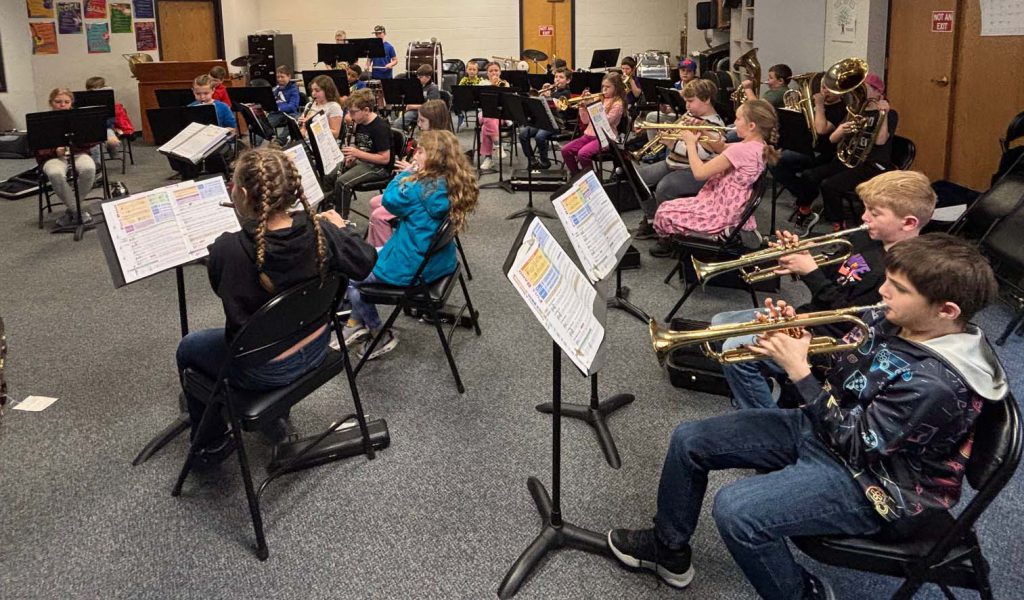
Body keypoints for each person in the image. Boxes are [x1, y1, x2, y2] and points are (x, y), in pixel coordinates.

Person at [607, 233, 1007, 600]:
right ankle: (668, 548)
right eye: (887, 280)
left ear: (946, 310)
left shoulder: (936, 383)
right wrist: (799, 340)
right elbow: (845, 370)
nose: (882, 291)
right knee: (690, 440)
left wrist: (798, 371)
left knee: (737, 511)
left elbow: (858, 443)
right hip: (827, 428)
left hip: (878, 482)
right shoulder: (896, 319)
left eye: (898, 289)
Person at [178, 146, 376, 463]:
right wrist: (341, 230)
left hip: (264, 369)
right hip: (317, 347)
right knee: (276, 327)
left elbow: (226, 295)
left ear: (241, 193)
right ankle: (275, 415)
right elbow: (366, 263)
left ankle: (210, 443)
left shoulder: (229, 250)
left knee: (188, 347)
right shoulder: (321, 230)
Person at [716, 170, 937, 410]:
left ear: (909, 223)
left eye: (875, 213)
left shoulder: (900, 273)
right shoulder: (868, 238)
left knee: (734, 351)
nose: (864, 217)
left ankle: (767, 420)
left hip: (833, 339)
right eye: (865, 209)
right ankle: (766, 391)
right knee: (720, 323)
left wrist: (811, 273)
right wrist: (804, 257)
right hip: (810, 315)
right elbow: (838, 275)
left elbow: (851, 320)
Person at [332, 129, 479, 361]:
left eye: (420, 152)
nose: (414, 155)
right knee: (359, 258)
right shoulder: (449, 182)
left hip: (409, 266)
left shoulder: (417, 189)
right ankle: (354, 321)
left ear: (434, 159)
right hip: (437, 262)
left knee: (349, 275)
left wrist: (404, 174)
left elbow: (389, 199)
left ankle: (378, 332)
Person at [648, 99, 779, 257]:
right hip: (732, 207)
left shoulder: (742, 151)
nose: (734, 123)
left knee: (664, 211)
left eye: (738, 119)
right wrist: (701, 129)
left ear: (751, 126)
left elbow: (700, 173)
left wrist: (691, 144)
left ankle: (674, 244)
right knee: (669, 207)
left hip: (721, 212)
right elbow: (721, 147)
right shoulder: (758, 145)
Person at [792, 73, 898, 232]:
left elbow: (880, 141)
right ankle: (805, 211)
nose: (857, 92)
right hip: (850, 159)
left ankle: (839, 226)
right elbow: (833, 140)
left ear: (878, 92)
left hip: (873, 164)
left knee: (829, 186)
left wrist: (884, 114)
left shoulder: (890, 114)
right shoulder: (855, 111)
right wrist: (841, 130)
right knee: (809, 175)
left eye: (863, 88)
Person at [635, 79, 727, 240]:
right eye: (686, 101)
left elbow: (701, 153)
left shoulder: (714, 124)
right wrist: (671, 132)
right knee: (638, 178)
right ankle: (652, 219)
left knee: (665, 188)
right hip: (674, 163)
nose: (687, 106)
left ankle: (669, 236)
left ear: (706, 100)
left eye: (691, 101)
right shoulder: (691, 115)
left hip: (696, 170)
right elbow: (680, 137)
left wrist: (672, 143)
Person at [368, 99, 453, 247]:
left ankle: (386, 249)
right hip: (421, 187)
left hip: (425, 194)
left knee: (378, 216)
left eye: (422, 121)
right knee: (374, 202)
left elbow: (434, 176)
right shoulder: (432, 140)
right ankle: (383, 241)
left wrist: (410, 170)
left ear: (434, 122)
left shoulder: (440, 146)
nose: (418, 124)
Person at [771, 77, 846, 235]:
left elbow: (821, 129)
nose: (825, 91)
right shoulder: (817, 105)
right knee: (774, 162)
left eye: (829, 89)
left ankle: (804, 204)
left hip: (825, 154)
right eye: (823, 87)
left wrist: (819, 106)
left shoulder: (841, 109)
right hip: (806, 149)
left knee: (805, 174)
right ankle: (805, 195)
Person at [322, 88, 391, 218]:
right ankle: (328, 212)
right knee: (329, 176)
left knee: (342, 183)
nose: (350, 116)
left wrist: (357, 154)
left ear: (366, 110)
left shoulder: (380, 127)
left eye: (353, 112)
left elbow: (385, 159)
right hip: (362, 161)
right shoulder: (360, 121)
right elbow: (359, 144)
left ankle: (340, 220)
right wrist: (352, 156)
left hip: (378, 168)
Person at [36, 88, 97, 228]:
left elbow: (91, 141)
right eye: (58, 102)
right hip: (52, 157)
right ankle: (78, 212)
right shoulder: (42, 121)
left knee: (89, 168)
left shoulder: (79, 119)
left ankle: (72, 211)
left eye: (66, 102)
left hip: (78, 154)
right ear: (51, 103)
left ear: (71, 103)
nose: (62, 105)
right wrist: (55, 150)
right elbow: (37, 148)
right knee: (55, 173)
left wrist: (75, 144)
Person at [168, 74, 237, 181]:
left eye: (206, 93)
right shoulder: (190, 107)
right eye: (198, 94)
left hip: (217, 142)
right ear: (193, 91)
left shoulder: (222, 107)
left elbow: (232, 130)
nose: (202, 97)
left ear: (213, 90)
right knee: (177, 153)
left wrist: (224, 131)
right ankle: (188, 178)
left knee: (214, 155)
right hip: (196, 142)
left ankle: (218, 176)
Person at [561, 71, 627, 175]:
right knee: (565, 150)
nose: (604, 90)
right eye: (603, 86)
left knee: (582, 154)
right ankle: (577, 175)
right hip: (589, 135)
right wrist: (582, 107)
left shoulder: (617, 104)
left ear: (616, 88)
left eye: (608, 87)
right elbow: (585, 121)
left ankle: (592, 177)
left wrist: (592, 106)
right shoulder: (598, 98)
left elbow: (604, 122)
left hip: (605, 138)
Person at [519, 67, 572, 169]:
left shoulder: (566, 93)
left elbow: (559, 110)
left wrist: (548, 98)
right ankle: (532, 160)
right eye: (556, 77)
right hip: (543, 121)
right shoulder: (552, 90)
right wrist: (541, 96)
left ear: (568, 80)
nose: (557, 79)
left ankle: (544, 161)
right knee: (523, 134)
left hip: (556, 123)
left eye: (561, 77)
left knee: (540, 136)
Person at [84, 76, 134, 161]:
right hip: (91, 129)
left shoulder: (109, 101)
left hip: (107, 128)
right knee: (94, 144)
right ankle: (98, 165)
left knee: (112, 140)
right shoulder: (85, 101)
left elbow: (112, 120)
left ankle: (111, 149)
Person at [478, 61, 510, 171]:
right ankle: (498, 145)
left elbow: (507, 103)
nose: (494, 73)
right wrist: (491, 85)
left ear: (500, 72)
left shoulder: (505, 84)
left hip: (500, 115)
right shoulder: (482, 84)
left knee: (485, 125)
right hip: (484, 113)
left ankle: (488, 158)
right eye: (491, 71)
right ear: (487, 73)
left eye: (496, 70)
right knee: (487, 116)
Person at [391, 64, 441, 130]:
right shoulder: (417, 85)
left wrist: (412, 106)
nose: (418, 79)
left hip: (424, 112)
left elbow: (431, 106)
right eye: (418, 77)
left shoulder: (433, 88)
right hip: (414, 110)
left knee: (398, 123)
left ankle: (400, 137)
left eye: (420, 77)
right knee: (394, 118)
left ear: (428, 77)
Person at [298, 74, 344, 140]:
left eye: (317, 90)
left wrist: (312, 124)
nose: (313, 93)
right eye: (312, 90)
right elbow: (303, 130)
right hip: (308, 140)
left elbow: (335, 134)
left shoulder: (334, 107)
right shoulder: (309, 105)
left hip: (323, 143)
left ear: (327, 90)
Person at [268, 65, 300, 144]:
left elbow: (292, 107)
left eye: (282, 77)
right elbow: (269, 101)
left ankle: (279, 142)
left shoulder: (294, 89)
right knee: (263, 124)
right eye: (278, 77)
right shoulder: (276, 88)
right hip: (276, 113)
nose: (279, 79)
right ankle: (256, 146)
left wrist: (278, 108)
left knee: (294, 120)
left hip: (290, 113)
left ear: (289, 76)